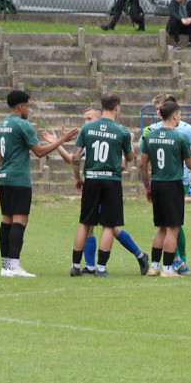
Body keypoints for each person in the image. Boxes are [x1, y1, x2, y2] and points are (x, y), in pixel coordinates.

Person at [56, 106, 149, 275]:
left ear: (99, 117)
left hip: (97, 183)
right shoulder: (102, 132)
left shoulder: (99, 132)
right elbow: (72, 158)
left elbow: (122, 164)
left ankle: (138, 255)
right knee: (100, 226)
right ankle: (95, 266)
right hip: (107, 183)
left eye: (89, 119)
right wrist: (57, 144)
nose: (86, 122)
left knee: (104, 226)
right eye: (85, 119)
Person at [0, 90, 78, 277]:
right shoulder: (22, 125)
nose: (29, 110)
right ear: (21, 106)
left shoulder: (2, 125)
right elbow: (40, 152)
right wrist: (62, 140)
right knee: (19, 219)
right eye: (28, 106)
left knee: (6, 219)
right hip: (18, 179)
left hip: (3, 178)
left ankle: (5, 266)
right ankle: (14, 266)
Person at [69, 93, 134, 278]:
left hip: (92, 178)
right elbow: (129, 158)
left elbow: (75, 156)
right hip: (111, 180)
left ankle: (75, 265)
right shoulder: (121, 131)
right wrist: (132, 144)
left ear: (101, 106)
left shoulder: (87, 128)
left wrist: (78, 177)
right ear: (117, 107)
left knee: (85, 222)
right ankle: (101, 268)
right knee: (108, 224)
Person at [141, 94, 191, 274]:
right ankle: (167, 268)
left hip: (157, 183)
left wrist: (147, 187)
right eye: (179, 115)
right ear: (174, 116)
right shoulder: (180, 137)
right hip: (173, 184)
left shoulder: (150, 136)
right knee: (173, 229)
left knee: (161, 228)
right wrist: (189, 149)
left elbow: (142, 164)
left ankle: (154, 267)